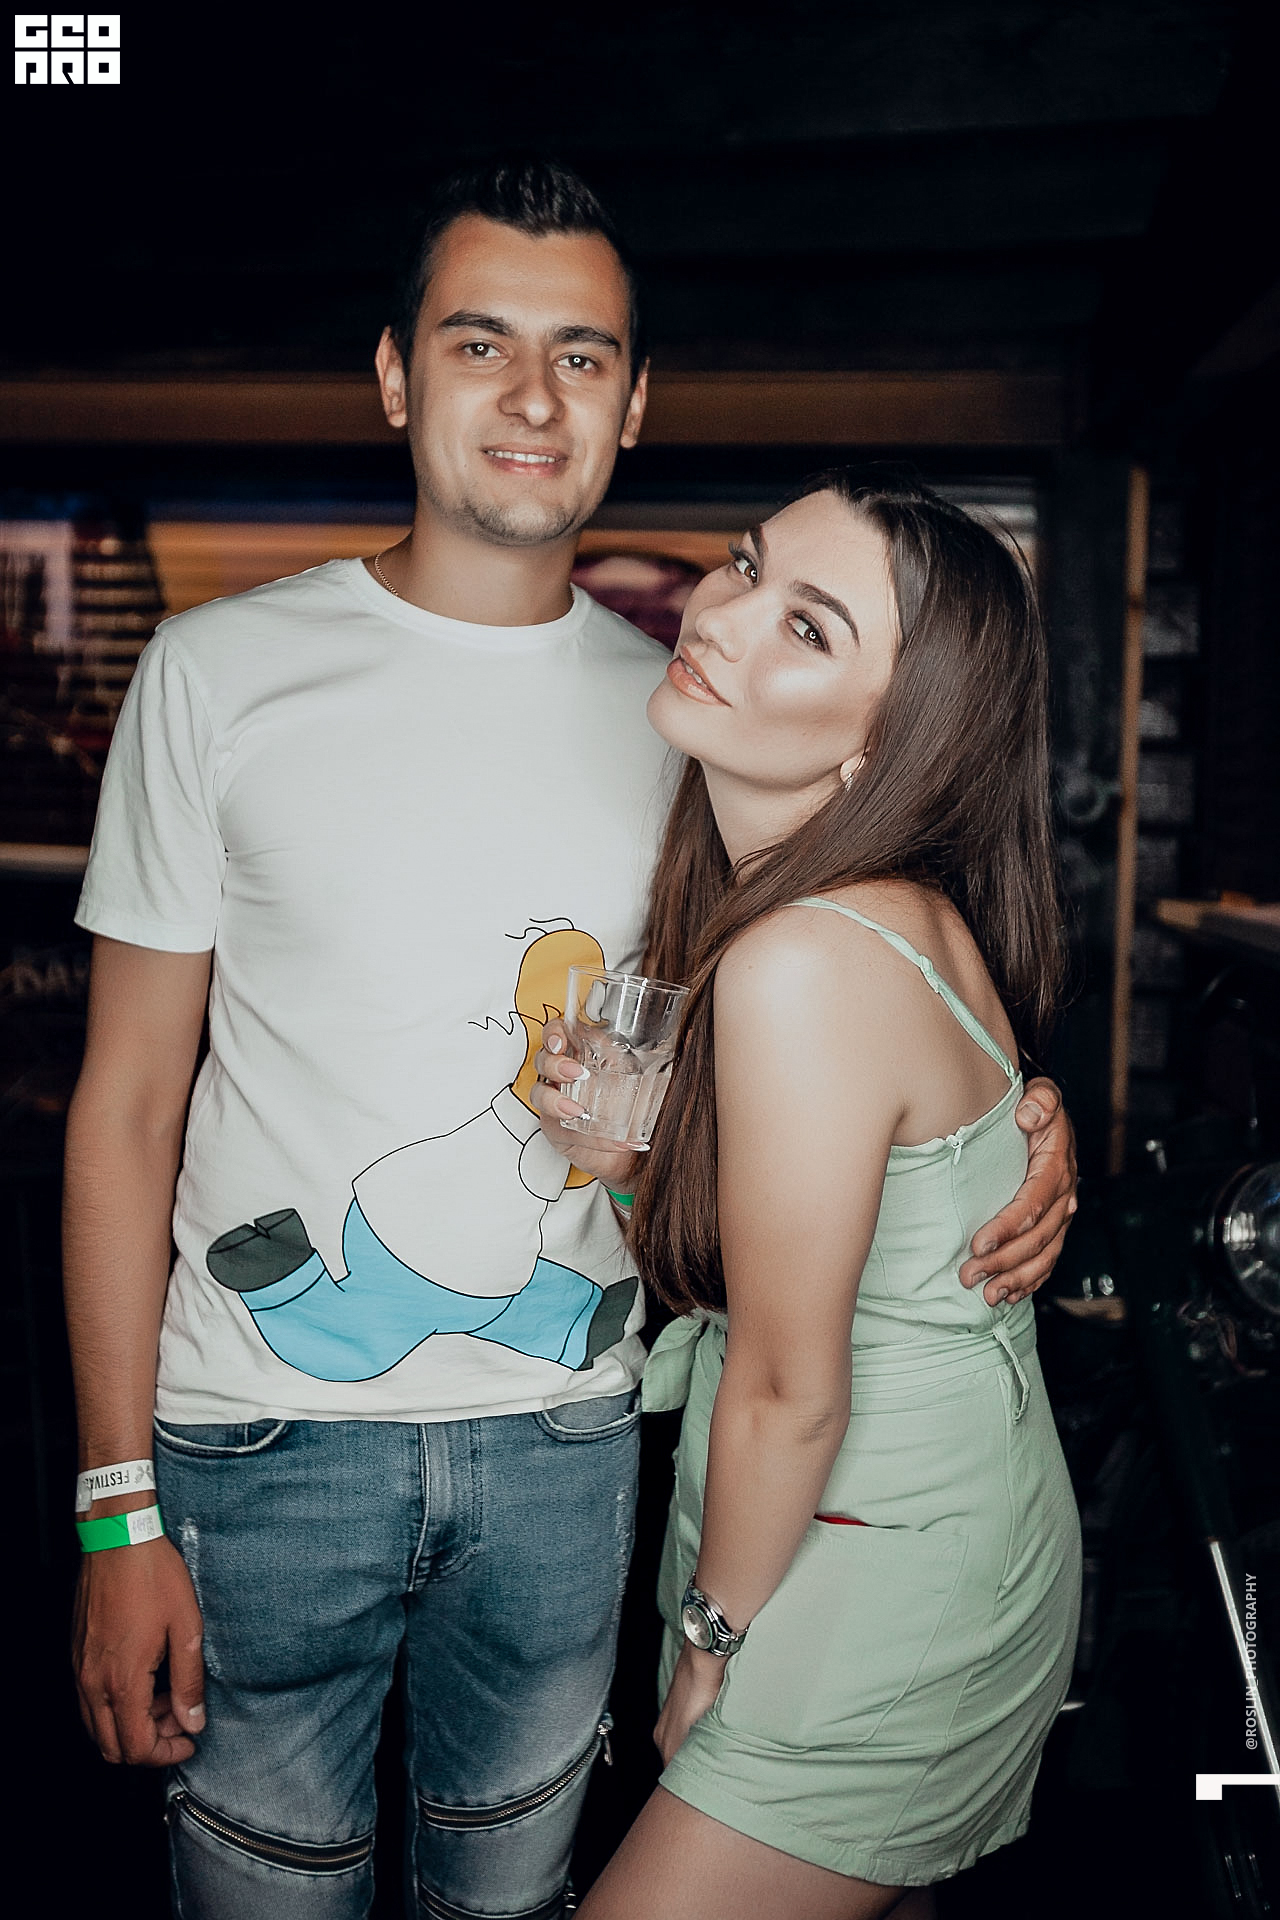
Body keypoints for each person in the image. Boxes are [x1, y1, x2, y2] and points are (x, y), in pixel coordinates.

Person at [64, 161, 1076, 1920]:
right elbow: (128, 1101)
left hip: (571, 1436)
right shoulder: (215, 674)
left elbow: (860, 959)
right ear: (399, 375)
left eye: (583, 355)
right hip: (263, 1439)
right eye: (481, 344)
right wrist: (111, 1509)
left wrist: (1012, 1122)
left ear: (635, 400)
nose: (534, 397)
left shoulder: (685, 712)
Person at [533, 472, 1083, 1919]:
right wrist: (630, 1163)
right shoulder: (861, 913)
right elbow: (830, 1252)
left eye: (809, 625)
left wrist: (709, 1640)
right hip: (877, 1526)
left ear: (889, 745)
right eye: (744, 563)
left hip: (879, 1568)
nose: (721, 614)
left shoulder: (804, 957)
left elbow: (789, 1386)